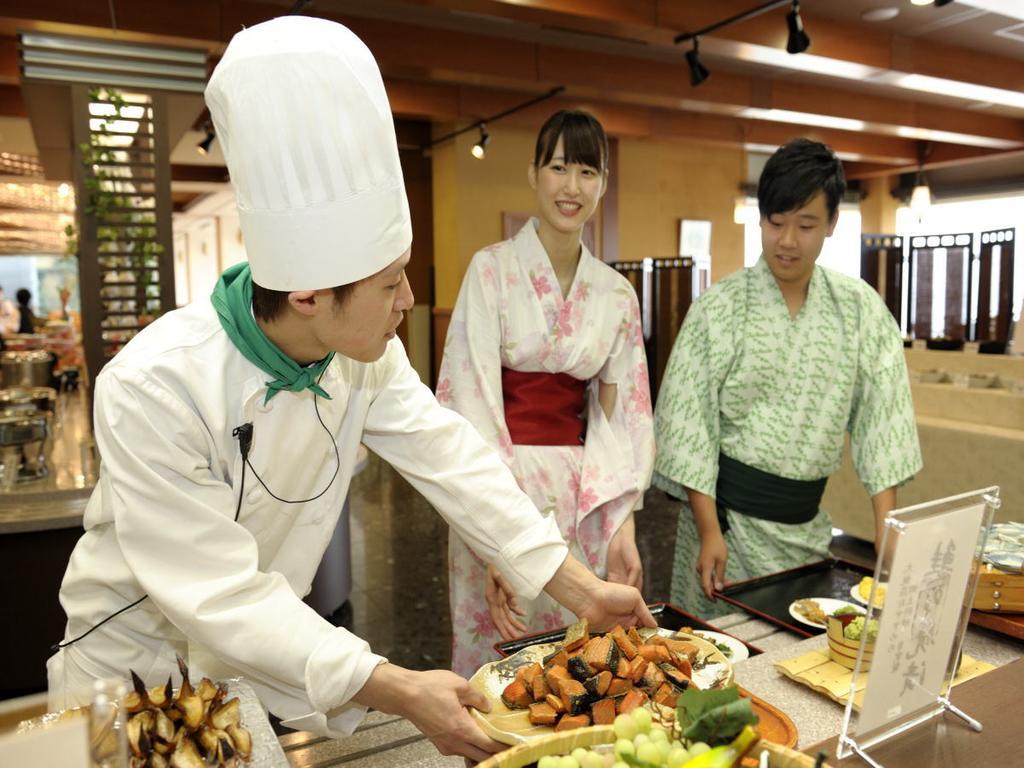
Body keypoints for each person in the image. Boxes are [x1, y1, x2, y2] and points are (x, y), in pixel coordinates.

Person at [47, 17, 654, 762]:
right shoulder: (153, 387)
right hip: (129, 683)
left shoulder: (365, 356)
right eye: (390, 282)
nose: (408, 300)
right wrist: (395, 685)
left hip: (238, 671)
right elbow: (222, 595)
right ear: (308, 295)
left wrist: (580, 588)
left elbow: (452, 457)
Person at [653, 138, 922, 618]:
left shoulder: (859, 309)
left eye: (806, 225)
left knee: (799, 663)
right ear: (760, 217)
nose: (788, 241)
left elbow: (885, 419)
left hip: (806, 530)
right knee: (723, 664)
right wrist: (709, 529)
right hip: (724, 529)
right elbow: (689, 426)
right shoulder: (719, 308)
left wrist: (887, 527)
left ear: (833, 223)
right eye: (776, 223)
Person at [437, 110, 655, 678]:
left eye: (587, 171)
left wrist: (623, 523)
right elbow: (469, 401)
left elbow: (622, 417)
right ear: (535, 173)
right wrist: (494, 538)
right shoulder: (491, 271)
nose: (572, 186)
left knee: (577, 665)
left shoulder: (615, 294)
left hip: (584, 500)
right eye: (559, 167)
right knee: (497, 670)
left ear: (603, 183)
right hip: (499, 489)